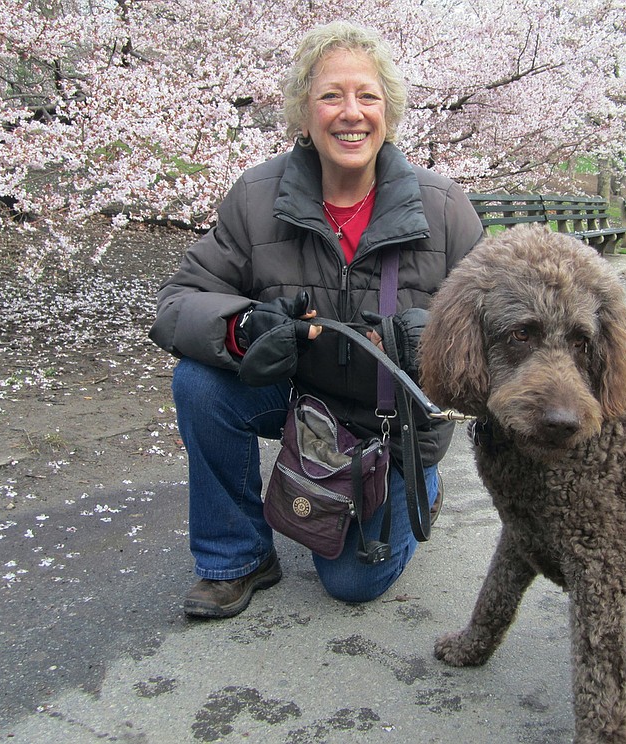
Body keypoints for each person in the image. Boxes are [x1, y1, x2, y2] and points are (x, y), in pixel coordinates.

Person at [149, 20, 483, 619]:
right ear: (304, 114)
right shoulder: (256, 197)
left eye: (367, 96)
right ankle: (238, 557)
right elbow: (179, 299)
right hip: (302, 402)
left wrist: (426, 341)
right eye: (331, 95)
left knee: (352, 582)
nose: (350, 113)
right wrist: (243, 328)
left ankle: (419, 486)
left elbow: (497, 330)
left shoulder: (444, 208)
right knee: (198, 383)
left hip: (392, 424)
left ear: (389, 113)